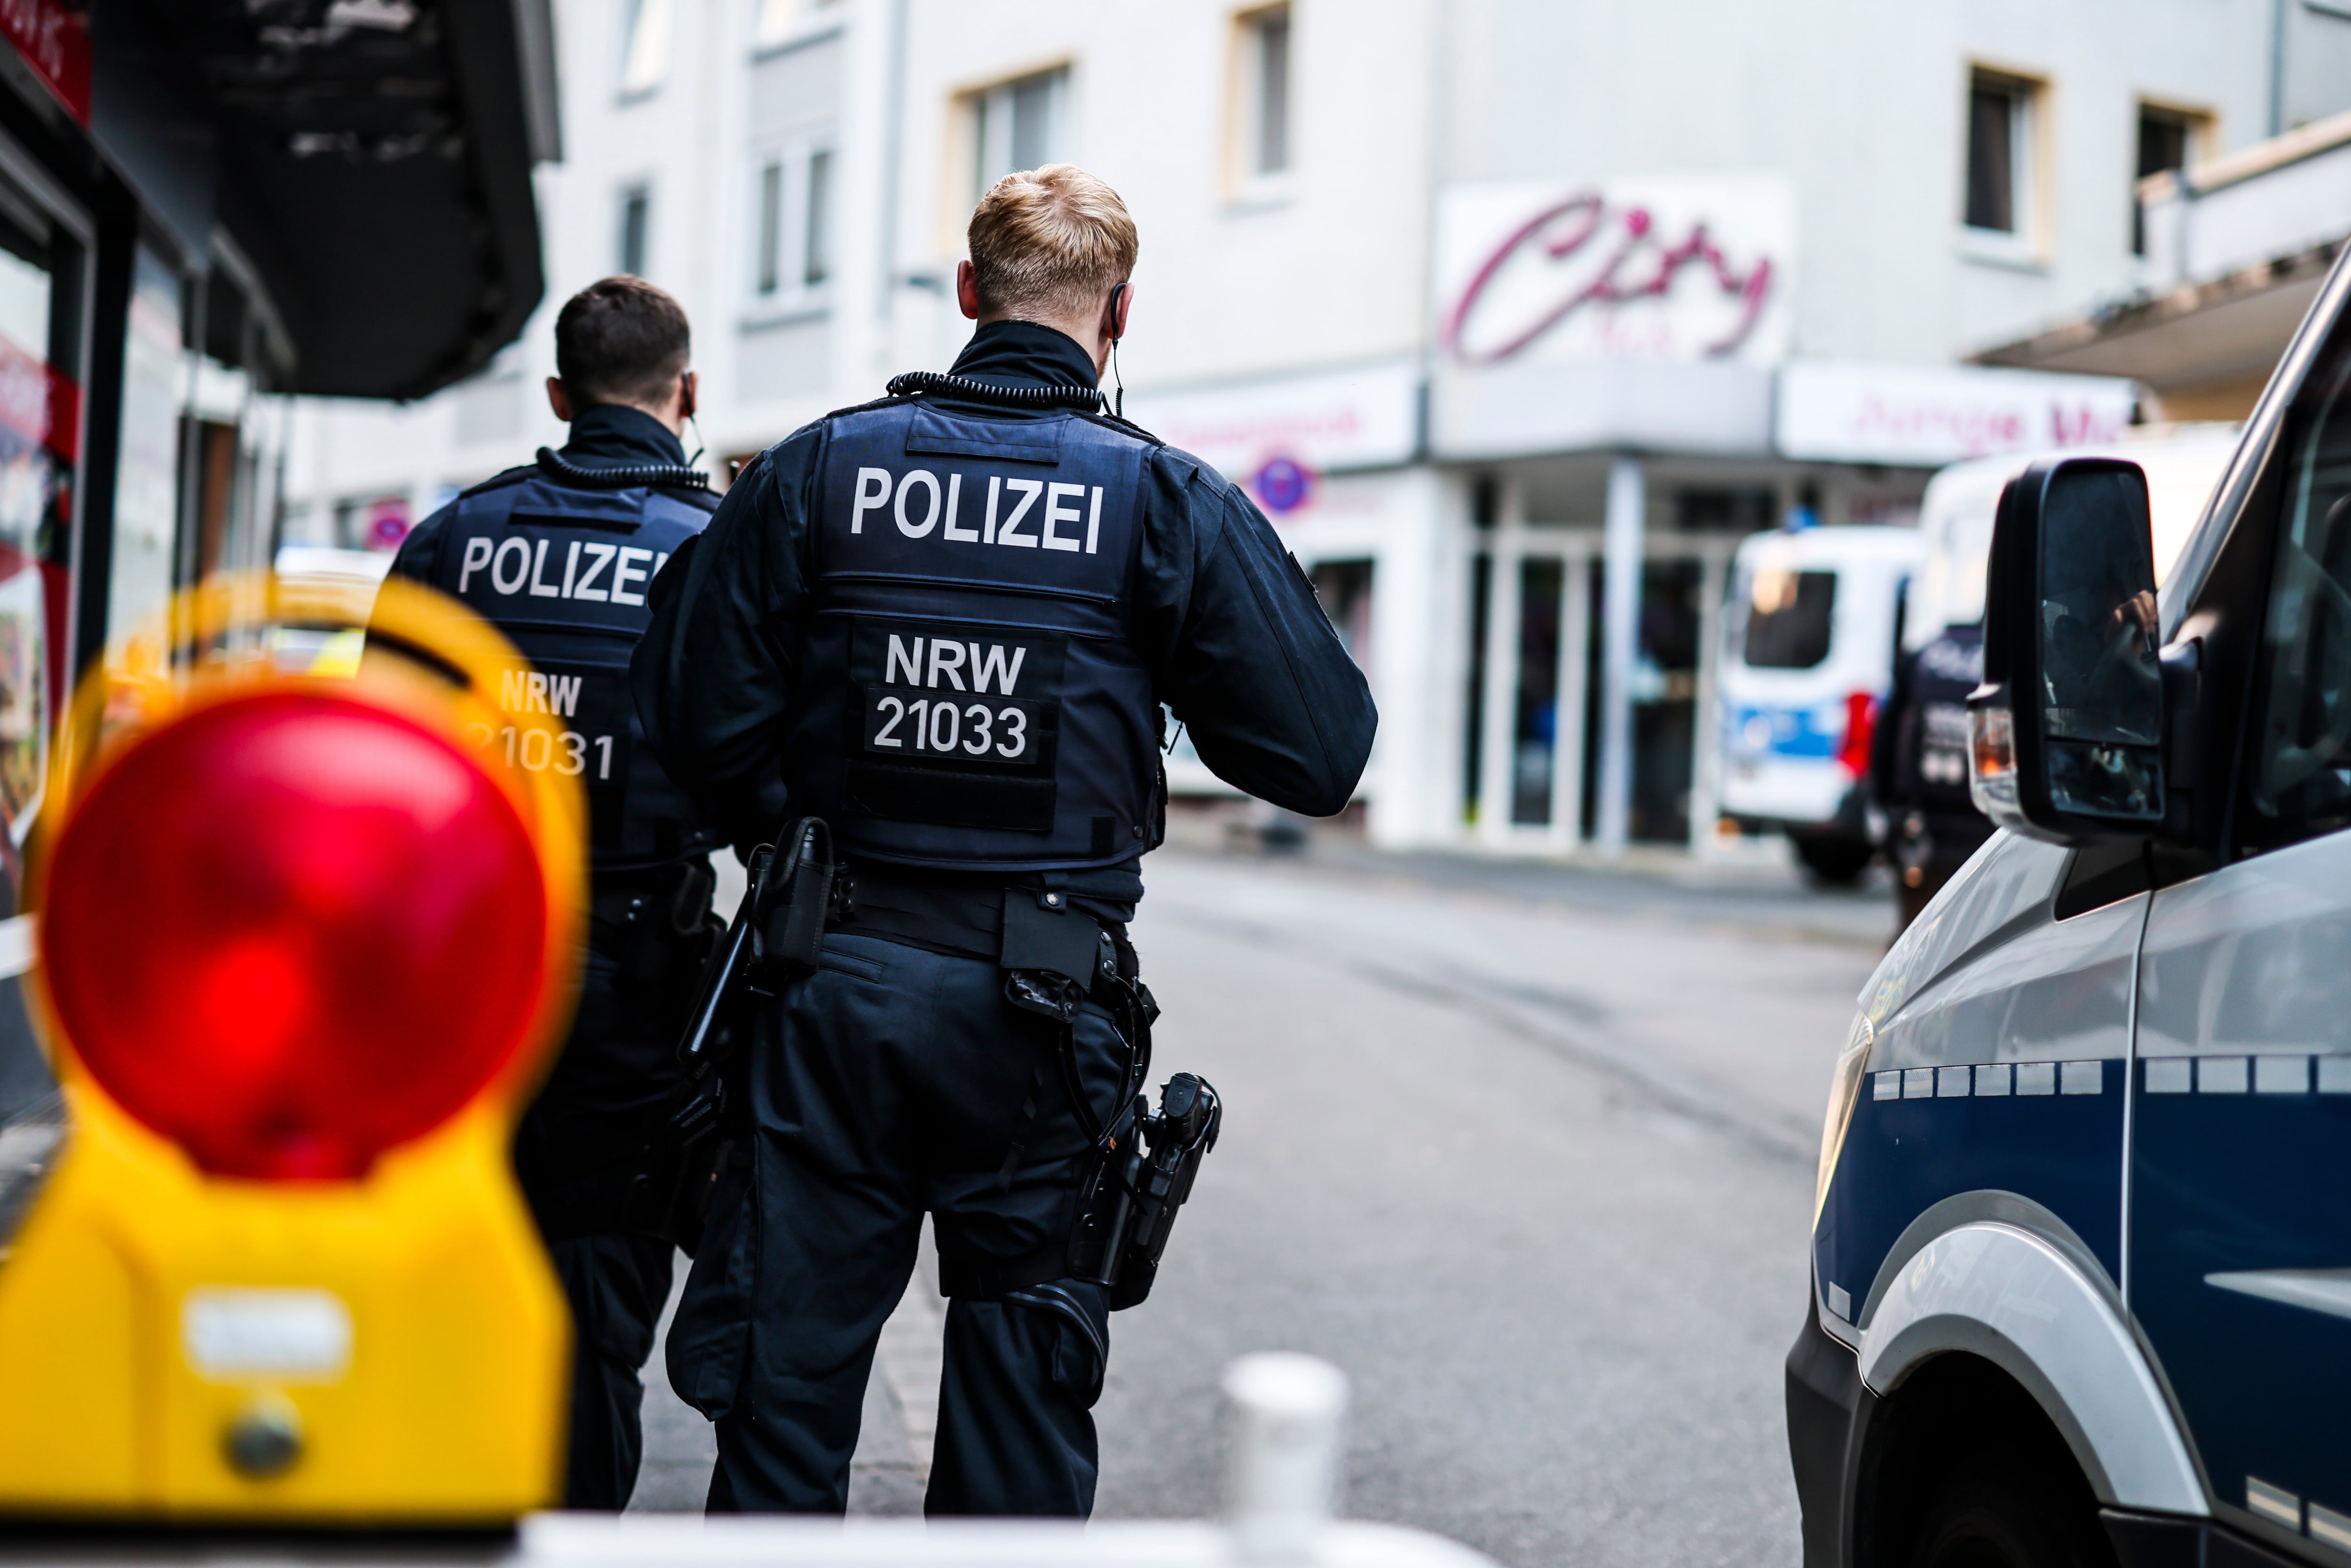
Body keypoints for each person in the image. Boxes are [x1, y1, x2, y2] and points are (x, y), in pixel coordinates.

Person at [632, 163, 1376, 1517]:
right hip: (1042, 1016)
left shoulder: (816, 468)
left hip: (828, 989)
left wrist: (796, 844)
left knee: (784, 1409)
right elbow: (1320, 755)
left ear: (969, 294)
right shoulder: (1164, 503)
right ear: (1121, 315)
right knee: (1017, 1434)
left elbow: (687, 713)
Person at [379, 276, 730, 1507]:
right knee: (590, 1332)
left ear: (556, 395)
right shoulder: (710, 549)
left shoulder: (454, 537)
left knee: (442, 1285)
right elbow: (762, 776)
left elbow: (382, 763)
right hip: (635, 998)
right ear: (684, 396)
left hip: (456, 981)